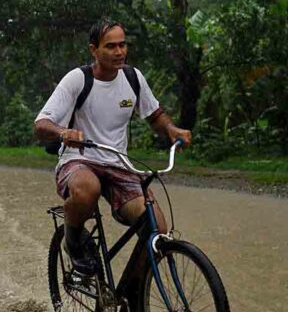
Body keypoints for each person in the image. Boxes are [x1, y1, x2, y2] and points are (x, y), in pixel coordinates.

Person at [33, 19, 192, 276]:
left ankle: (133, 300)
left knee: (157, 230)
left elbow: (154, 115)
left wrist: (171, 130)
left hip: (119, 164)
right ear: (94, 50)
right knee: (88, 188)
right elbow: (41, 125)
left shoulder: (132, 77)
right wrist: (64, 133)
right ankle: (73, 242)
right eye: (111, 47)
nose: (119, 52)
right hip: (79, 160)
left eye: (123, 45)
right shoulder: (77, 80)